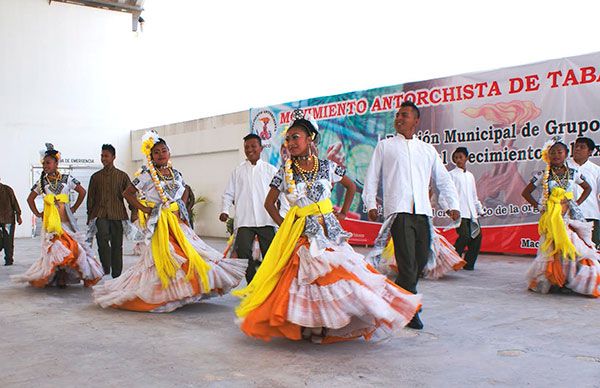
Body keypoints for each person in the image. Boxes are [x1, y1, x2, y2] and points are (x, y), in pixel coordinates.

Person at [233, 110, 421, 344]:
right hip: (300, 233)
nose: (291, 143)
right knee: (304, 280)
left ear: (310, 139)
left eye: (296, 137)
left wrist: (342, 212)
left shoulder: (326, 166)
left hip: (329, 232)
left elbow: (351, 186)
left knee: (336, 276)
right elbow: (269, 204)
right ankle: (307, 324)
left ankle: (326, 323)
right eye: (288, 139)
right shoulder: (284, 172)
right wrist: (285, 227)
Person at [93, 131, 247, 312]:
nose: (160, 155)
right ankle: (162, 294)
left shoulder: (175, 173)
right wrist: (144, 209)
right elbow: (127, 192)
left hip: (177, 222)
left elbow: (185, 190)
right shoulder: (146, 174)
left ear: (169, 153)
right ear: (151, 156)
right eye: (156, 152)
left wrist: (181, 207)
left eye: (163, 151)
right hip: (160, 224)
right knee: (167, 258)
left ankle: (184, 291)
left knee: (192, 254)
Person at [362, 101, 460, 329]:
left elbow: (443, 179)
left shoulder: (427, 150)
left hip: (423, 213)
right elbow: (372, 177)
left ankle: (398, 300)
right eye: (397, 115)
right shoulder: (385, 146)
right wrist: (370, 204)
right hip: (399, 212)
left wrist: (452, 204)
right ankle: (411, 311)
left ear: (416, 121)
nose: (399, 118)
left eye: (404, 115)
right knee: (407, 264)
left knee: (421, 261)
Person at [12, 144, 103, 288]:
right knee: (56, 250)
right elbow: (30, 199)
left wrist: (73, 208)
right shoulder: (41, 183)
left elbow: (82, 192)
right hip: (51, 225)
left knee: (72, 248)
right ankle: (59, 277)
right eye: (43, 164)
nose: (45, 166)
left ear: (56, 163)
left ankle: (68, 276)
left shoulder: (67, 179)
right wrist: (38, 213)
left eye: (48, 163)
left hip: (66, 221)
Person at [522, 137, 600, 296]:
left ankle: (570, 280)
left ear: (566, 154)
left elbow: (588, 188)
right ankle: (554, 280)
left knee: (573, 248)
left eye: (560, 152)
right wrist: (539, 206)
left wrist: (575, 203)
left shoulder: (573, 172)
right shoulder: (543, 175)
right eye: (553, 152)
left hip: (570, 217)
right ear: (548, 155)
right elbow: (526, 192)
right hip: (551, 218)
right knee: (552, 249)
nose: (556, 155)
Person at [220, 133, 281, 283]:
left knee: (270, 254)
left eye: (253, 146)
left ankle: (269, 284)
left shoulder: (271, 170)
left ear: (261, 148)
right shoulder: (237, 171)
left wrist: (282, 215)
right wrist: (225, 210)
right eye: (246, 147)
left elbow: (282, 195)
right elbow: (228, 193)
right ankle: (252, 284)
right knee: (243, 253)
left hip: (266, 219)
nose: (249, 150)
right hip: (244, 220)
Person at [87, 144, 132, 278]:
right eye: (102, 156)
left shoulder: (122, 176)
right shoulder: (95, 177)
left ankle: (117, 273)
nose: (103, 158)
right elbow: (91, 197)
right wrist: (90, 216)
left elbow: (131, 194)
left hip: (118, 215)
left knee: (117, 245)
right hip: (100, 214)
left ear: (113, 157)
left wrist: (134, 210)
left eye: (106, 156)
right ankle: (106, 268)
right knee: (102, 241)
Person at [448, 147, 485, 270]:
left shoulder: (470, 176)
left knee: (477, 237)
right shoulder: (451, 175)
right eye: (456, 157)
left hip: (472, 213)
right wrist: (449, 210)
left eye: (461, 157)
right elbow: (446, 195)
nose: (458, 160)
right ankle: (453, 260)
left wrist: (479, 210)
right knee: (464, 236)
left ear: (466, 158)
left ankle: (469, 264)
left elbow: (474, 196)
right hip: (459, 212)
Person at [569, 137, 600, 249]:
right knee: (570, 251)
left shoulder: (596, 170)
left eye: (582, 147)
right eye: (576, 146)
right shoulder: (564, 167)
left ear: (590, 152)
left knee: (592, 250)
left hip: (590, 214)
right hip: (568, 214)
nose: (577, 149)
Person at [0, 178, 22, 266]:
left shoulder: (7, 189)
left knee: (8, 240)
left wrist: (18, 216)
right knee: (3, 241)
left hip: (8, 219)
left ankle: (9, 260)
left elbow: (14, 203)